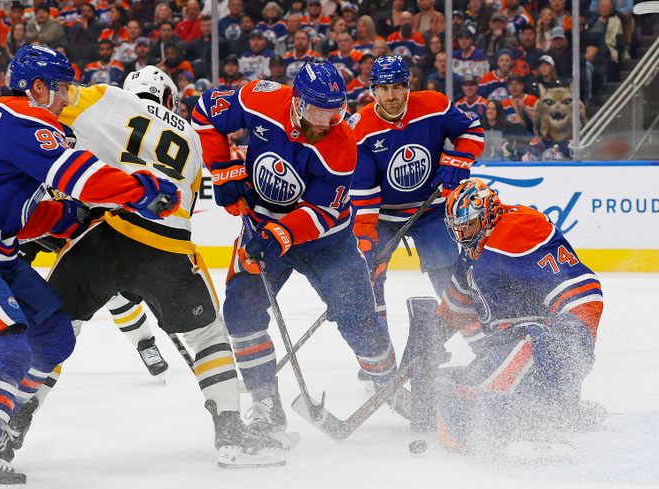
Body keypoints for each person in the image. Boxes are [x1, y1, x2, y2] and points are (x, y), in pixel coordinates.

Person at [0, 45, 180, 489]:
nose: (67, 98)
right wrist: (144, 186)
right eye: (62, 88)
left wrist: (70, 220)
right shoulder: (25, 119)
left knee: (54, 334)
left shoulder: (4, 120)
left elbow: (22, 212)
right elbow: (85, 178)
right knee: (9, 342)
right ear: (37, 87)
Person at [19, 66, 283, 467]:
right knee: (208, 337)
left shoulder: (110, 100)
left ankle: (7, 425)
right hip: (166, 244)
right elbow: (185, 207)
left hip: (104, 238)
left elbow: (53, 114)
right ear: (169, 98)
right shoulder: (192, 136)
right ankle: (231, 435)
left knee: (52, 331)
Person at [192, 61, 395, 439]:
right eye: (319, 111)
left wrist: (278, 235)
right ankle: (265, 401)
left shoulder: (341, 145)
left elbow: (322, 211)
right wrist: (222, 169)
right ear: (298, 102)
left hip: (326, 240)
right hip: (261, 226)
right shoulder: (260, 100)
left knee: (357, 316)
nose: (326, 121)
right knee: (241, 310)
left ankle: (389, 380)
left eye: (336, 112)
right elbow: (206, 112)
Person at [410, 178, 603, 454]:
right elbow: (456, 305)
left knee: (527, 346)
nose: (463, 234)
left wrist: (572, 332)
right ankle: (555, 410)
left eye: (469, 225)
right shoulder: (475, 251)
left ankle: (531, 424)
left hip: (560, 343)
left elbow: (582, 288)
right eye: (458, 228)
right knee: (455, 380)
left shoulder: (520, 230)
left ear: (488, 214)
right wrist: (431, 340)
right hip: (525, 341)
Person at [349, 55, 484, 322]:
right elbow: (363, 192)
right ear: (373, 90)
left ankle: (480, 343)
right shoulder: (359, 127)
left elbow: (472, 129)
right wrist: (364, 238)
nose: (391, 95)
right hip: (383, 215)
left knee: (449, 277)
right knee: (369, 282)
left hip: (430, 209)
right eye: (384, 88)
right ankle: (378, 357)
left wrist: (459, 159)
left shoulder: (434, 105)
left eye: (398, 87)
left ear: (408, 86)